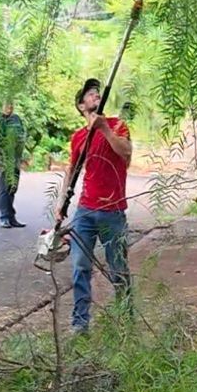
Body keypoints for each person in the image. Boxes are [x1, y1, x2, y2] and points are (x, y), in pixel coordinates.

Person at [58, 77, 133, 332]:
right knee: (80, 266)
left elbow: (125, 153)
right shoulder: (78, 137)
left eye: (97, 93)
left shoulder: (117, 125)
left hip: (113, 211)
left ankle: (125, 319)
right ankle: (80, 323)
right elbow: (72, 170)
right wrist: (61, 204)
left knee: (118, 268)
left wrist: (104, 130)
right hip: (85, 211)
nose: (96, 96)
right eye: (90, 94)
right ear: (81, 106)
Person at [0, 99, 27, 230]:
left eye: (11, 105)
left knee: (13, 188)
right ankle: (4, 217)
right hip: (5, 159)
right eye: (7, 105)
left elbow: (22, 135)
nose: (10, 107)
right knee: (4, 189)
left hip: (16, 158)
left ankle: (12, 217)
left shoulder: (16, 119)